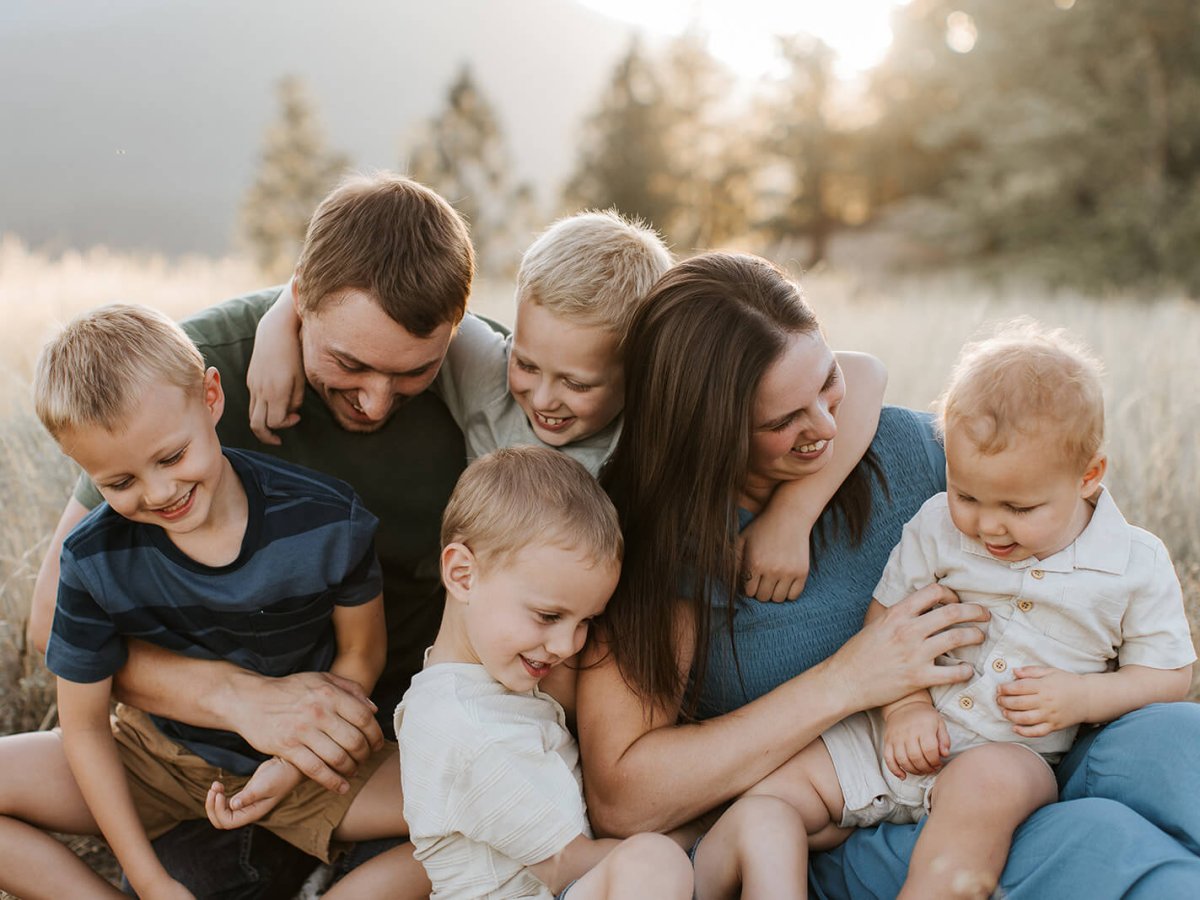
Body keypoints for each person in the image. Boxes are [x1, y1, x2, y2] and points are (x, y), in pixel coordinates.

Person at [576, 251, 1200, 899]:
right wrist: (851, 679)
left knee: (1181, 744)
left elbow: (1063, 527)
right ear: (706, 430)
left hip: (1034, 744)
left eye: (825, 384)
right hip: (861, 808)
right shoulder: (654, 552)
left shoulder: (913, 456)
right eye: (783, 422)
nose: (823, 426)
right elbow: (625, 800)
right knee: (1109, 848)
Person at [25, 171, 473, 896]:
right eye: (348, 364)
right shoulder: (176, 374)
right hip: (190, 751)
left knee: (478, 838)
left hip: (365, 745)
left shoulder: (493, 385)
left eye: (414, 372)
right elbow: (51, 624)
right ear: (297, 301)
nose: (375, 400)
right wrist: (237, 698)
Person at [725, 320, 1195, 898]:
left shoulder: (1135, 563)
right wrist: (904, 711)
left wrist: (1082, 698)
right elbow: (887, 623)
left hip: (1009, 753)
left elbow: (1171, 675)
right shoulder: (936, 525)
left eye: (1020, 508)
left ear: (1089, 477)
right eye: (967, 494)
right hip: (887, 739)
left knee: (983, 797)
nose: (987, 524)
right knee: (768, 802)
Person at [248, 209, 889, 602]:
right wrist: (284, 320)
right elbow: (366, 279)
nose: (544, 398)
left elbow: (863, 373)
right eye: (528, 363)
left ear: (638, 376)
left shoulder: (649, 426)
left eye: (579, 384)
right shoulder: (487, 369)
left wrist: (793, 516)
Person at [0, 305, 407, 899]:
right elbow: (84, 728)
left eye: (171, 457)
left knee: (477, 814)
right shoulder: (90, 561)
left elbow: (362, 656)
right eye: (120, 483)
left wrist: (291, 765)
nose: (160, 492)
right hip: (152, 759)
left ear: (211, 397)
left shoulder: (324, 520)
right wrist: (149, 880)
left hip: (307, 761)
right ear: (84, 469)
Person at [395, 446, 700, 899]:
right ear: (462, 575)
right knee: (654, 860)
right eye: (547, 615)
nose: (566, 646)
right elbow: (568, 868)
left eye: (586, 622)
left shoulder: (489, 688)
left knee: (764, 823)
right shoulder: (465, 727)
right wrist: (697, 830)